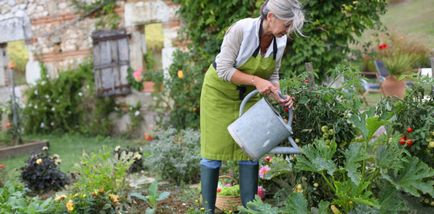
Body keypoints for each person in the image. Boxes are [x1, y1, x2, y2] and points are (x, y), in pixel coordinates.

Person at [199, 0, 305, 213]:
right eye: (287, 24)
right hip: (218, 95)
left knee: (251, 150)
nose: (288, 30)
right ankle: (208, 210)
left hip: (249, 97)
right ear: (271, 17)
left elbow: (272, 75)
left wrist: (280, 95)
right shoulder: (241, 30)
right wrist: (257, 81)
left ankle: (250, 209)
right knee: (212, 152)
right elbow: (224, 70)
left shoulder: (280, 42)